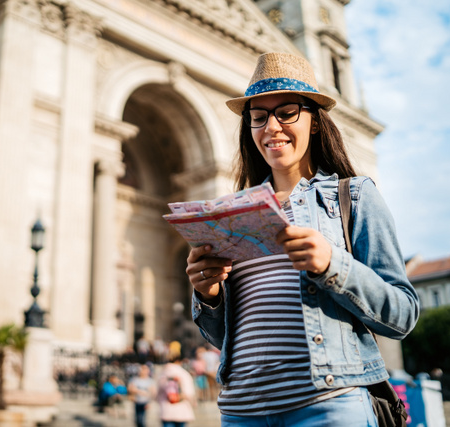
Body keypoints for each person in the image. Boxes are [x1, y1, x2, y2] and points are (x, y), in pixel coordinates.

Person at [186, 52, 420, 426]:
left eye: (287, 112)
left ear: (313, 121)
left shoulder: (354, 196)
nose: (271, 127)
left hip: (328, 407)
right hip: (240, 412)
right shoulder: (229, 214)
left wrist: (334, 265)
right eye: (258, 117)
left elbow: (402, 316)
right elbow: (226, 339)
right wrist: (207, 295)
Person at [156, 354, 196, 427]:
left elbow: (157, 391)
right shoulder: (184, 374)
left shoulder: (163, 373)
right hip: (182, 409)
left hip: (166, 409)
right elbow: (189, 392)